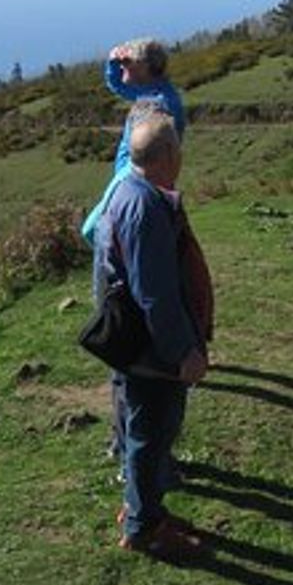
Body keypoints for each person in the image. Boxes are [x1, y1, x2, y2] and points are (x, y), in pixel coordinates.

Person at [94, 112, 208, 558]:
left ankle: (142, 509)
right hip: (151, 349)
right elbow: (155, 293)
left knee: (138, 426)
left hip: (131, 343)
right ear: (165, 156)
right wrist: (184, 351)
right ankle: (143, 527)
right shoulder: (144, 207)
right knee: (150, 432)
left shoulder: (125, 190)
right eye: (177, 148)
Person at [81, 38, 187, 245]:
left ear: (145, 67)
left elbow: (160, 148)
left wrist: (132, 175)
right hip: (134, 174)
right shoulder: (151, 91)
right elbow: (118, 85)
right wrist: (113, 62)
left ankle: (120, 267)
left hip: (134, 175)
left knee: (93, 230)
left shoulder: (161, 103)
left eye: (129, 61)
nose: (124, 64)